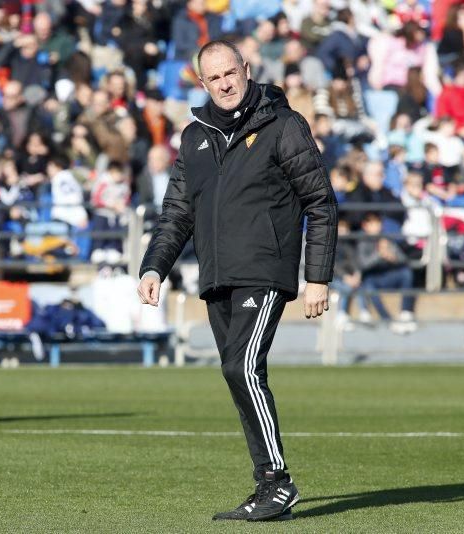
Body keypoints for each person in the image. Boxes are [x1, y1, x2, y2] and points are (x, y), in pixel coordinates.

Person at [137, 40, 337, 522]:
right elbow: (177, 212)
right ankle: (269, 486)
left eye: (231, 72)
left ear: (246, 70)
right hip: (217, 277)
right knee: (241, 374)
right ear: (202, 83)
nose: (225, 83)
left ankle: (276, 482)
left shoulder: (282, 125)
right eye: (215, 77)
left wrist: (317, 279)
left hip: (265, 270)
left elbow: (321, 202)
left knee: (240, 369)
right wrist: (153, 266)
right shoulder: (195, 136)